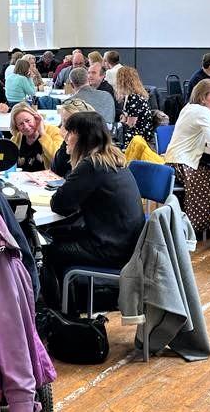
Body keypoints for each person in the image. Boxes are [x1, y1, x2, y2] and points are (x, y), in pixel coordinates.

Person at [41, 111, 145, 309]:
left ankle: (59, 313)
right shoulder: (112, 158)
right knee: (53, 234)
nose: (65, 136)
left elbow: (60, 204)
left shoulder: (91, 165)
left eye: (69, 132)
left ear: (81, 137)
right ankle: (69, 300)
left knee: (47, 247)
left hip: (110, 248)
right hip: (125, 241)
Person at [164, 79, 210, 233]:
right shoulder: (202, 112)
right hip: (183, 165)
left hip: (172, 162)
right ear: (203, 98)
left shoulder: (189, 107)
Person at [8, 102, 62, 171]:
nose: (26, 127)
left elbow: (58, 160)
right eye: (21, 124)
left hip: (46, 179)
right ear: (16, 127)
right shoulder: (16, 138)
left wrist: (42, 133)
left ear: (35, 117)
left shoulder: (54, 131)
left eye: (28, 121)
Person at [51, 98, 96, 177]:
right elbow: (55, 173)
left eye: (69, 124)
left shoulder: (91, 158)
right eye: (63, 122)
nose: (61, 129)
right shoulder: (67, 145)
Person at [113, 65, 154, 148]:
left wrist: (120, 123)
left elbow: (130, 124)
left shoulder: (133, 98)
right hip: (142, 133)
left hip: (139, 136)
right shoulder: (136, 96)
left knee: (110, 136)